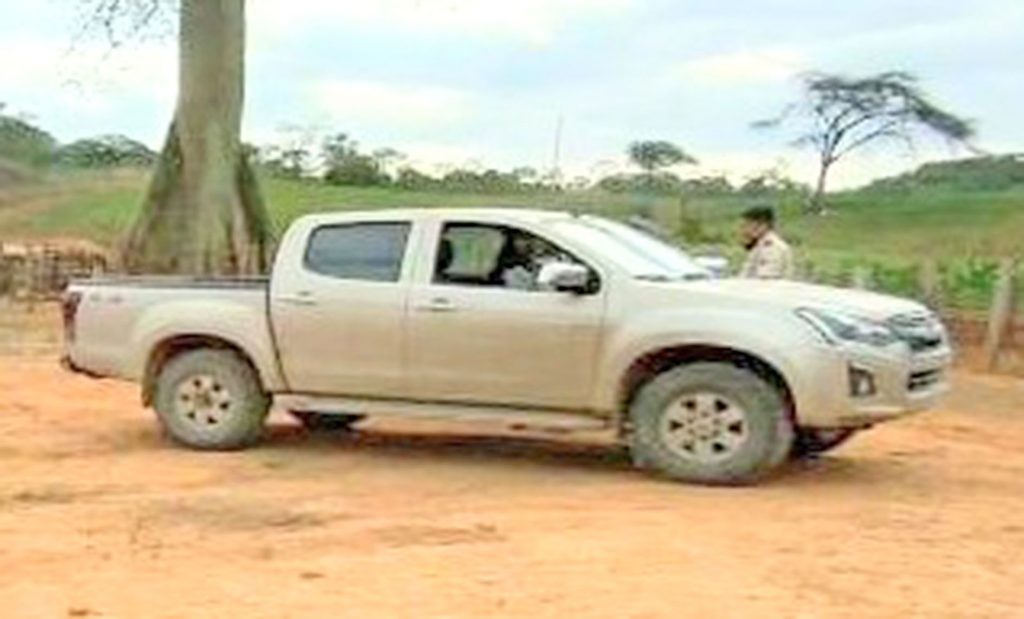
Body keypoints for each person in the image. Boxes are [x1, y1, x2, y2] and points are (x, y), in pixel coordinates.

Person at [739, 206, 794, 279]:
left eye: (749, 224)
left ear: (762, 225)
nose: (746, 229)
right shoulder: (760, 245)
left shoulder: (771, 247)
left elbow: (766, 281)